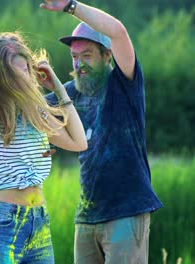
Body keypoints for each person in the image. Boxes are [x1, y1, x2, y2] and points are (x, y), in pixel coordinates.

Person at [39, 0, 162, 263]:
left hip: (127, 212)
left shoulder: (124, 83)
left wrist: (71, 6)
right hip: (86, 216)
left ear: (107, 56)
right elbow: (27, 107)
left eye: (87, 56)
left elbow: (118, 32)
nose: (79, 64)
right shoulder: (70, 92)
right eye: (74, 57)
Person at [0, 28, 87, 263]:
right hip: (1, 223)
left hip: (38, 222)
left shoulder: (34, 113)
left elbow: (79, 142)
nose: (26, 77)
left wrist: (57, 87)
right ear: (1, 76)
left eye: (27, 69)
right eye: (17, 72)